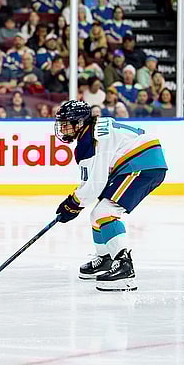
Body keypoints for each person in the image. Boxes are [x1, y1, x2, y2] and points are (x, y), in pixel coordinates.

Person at [53, 100, 168, 291]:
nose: (63, 129)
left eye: (66, 124)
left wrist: (72, 203)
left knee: (103, 213)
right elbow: (92, 183)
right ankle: (106, 259)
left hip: (141, 164)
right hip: (140, 161)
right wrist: (74, 203)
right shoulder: (93, 131)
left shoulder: (90, 141)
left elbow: (94, 185)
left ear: (79, 123)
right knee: (97, 215)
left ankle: (124, 267)